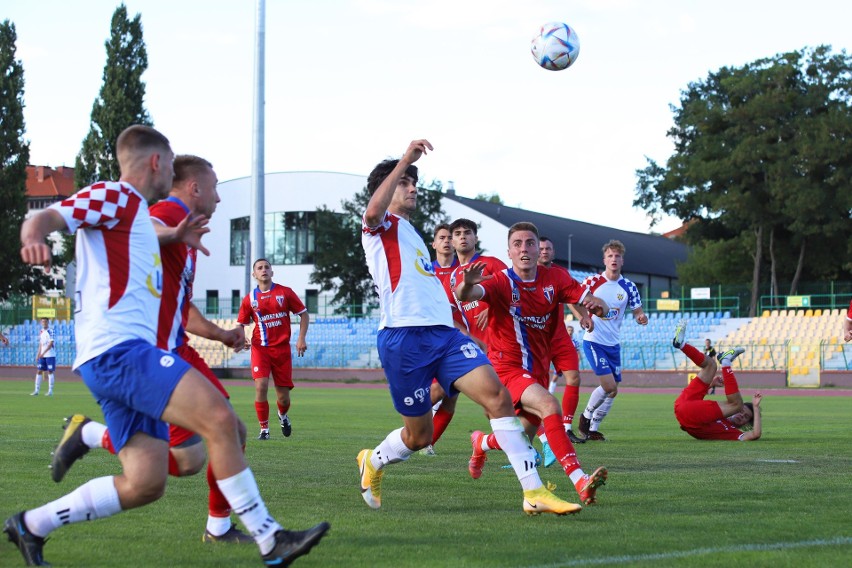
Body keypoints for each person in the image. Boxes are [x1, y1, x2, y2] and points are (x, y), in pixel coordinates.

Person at [6, 125, 328, 566]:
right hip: (119, 351)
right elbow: (47, 217)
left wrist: (174, 238)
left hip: (117, 357)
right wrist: (33, 236)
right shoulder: (117, 196)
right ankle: (271, 539)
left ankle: (32, 524)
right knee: (221, 421)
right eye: (171, 162)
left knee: (146, 482)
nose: (173, 171)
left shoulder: (138, 218)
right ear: (157, 162)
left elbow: (149, 235)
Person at [358, 139, 580, 516]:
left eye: (414, 181)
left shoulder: (411, 233)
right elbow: (372, 211)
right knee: (419, 436)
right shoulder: (378, 227)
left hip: (443, 337)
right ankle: (374, 460)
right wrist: (403, 161)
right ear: (387, 187)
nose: (413, 187)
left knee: (498, 398)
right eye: (405, 183)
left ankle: (534, 492)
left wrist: (466, 325)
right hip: (403, 339)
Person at [48, 155, 257, 544]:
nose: (219, 198)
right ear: (194, 187)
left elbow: (181, 305)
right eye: (215, 188)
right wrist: (172, 234)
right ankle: (233, 531)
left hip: (173, 346)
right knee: (222, 430)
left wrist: (219, 334)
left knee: (190, 459)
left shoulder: (187, 233)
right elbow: (143, 228)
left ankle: (90, 436)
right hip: (154, 352)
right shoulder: (166, 213)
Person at [456, 221, 610, 505]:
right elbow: (465, 295)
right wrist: (467, 284)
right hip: (506, 369)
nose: (524, 249)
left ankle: (481, 442)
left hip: (536, 370)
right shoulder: (501, 281)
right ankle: (581, 481)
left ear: (538, 249)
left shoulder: (556, 278)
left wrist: (598, 303)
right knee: (550, 404)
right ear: (509, 252)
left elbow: (588, 298)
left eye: (529, 243)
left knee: (519, 437)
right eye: (517, 244)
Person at [577, 240, 648, 441]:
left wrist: (641, 318)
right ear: (604, 260)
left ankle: (593, 428)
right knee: (609, 387)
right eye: (610, 256)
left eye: (617, 256)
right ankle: (586, 416)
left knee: (613, 390)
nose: (614, 259)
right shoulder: (592, 283)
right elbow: (574, 300)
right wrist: (584, 317)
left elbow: (638, 312)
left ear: (622, 260)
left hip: (613, 344)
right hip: (594, 341)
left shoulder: (629, 287)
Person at [237, 258, 309, 440]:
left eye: (267, 267)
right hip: (260, 349)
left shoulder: (284, 292)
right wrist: (242, 336)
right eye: (259, 268)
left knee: (283, 398)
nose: (264, 270)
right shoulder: (249, 299)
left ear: (272, 272)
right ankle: (264, 430)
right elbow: (241, 324)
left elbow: (303, 314)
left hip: (282, 350)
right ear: (254, 274)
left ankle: (283, 416)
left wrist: (301, 338)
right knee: (261, 386)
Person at [537, 236, 590, 454]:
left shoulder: (560, 273)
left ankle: (566, 427)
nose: (544, 251)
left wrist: (583, 316)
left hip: (558, 337)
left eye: (548, 248)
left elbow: (572, 297)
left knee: (574, 377)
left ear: (553, 251)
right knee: (532, 390)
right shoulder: (525, 273)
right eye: (540, 248)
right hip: (535, 339)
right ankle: (539, 434)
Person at [672, 320, 762, 441]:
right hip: (684, 408)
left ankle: (681, 344)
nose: (742, 416)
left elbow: (755, 434)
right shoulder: (723, 414)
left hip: (683, 410)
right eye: (742, 412)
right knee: (711, 365)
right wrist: (710, 385)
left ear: (746, 424)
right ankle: (681, 344)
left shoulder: (732, 432)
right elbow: (694, 408)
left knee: (711, 367)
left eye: (746, 417)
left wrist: (755, 407)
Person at [420, 223, 460, 456]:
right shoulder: (425, 271)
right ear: (434, 244)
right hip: (431, 340)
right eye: (441, 237)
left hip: (457, 342)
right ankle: (413, 431)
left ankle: (427, 443)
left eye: (449, 237)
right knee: (439, 390)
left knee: (450, 397)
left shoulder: (463, 271)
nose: (446, 241)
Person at [32, 317, 56, 396]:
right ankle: (36, 390)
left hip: (50, 355)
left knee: (50, 371)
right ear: (41, 323)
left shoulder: (51, 331)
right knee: (39, 370)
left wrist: (44, 353)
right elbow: (41, 344)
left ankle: (50, 391)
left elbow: (51, 344)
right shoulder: (41, 331)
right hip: (42, 355)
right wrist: (38, 354)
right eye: (42, 322)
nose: (44, 323)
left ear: (48, 322)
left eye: (45, 322)